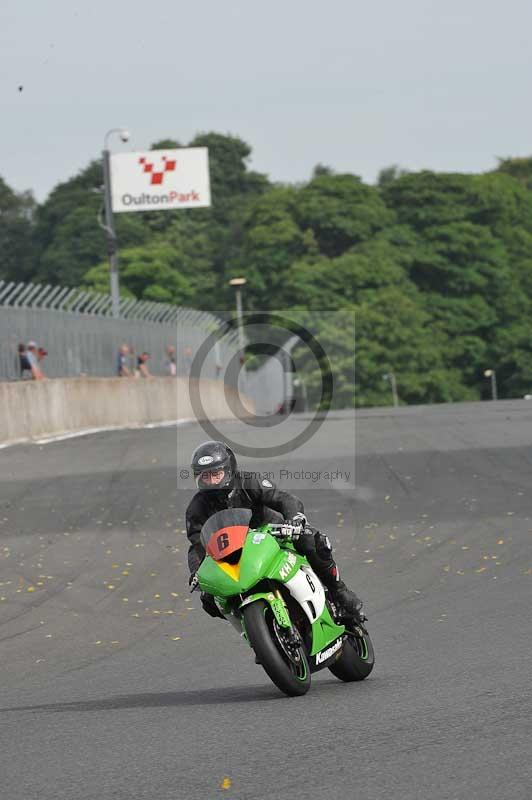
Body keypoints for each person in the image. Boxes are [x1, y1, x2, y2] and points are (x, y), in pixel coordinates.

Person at [186, 440, 364, 622]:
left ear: (229, 470)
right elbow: (197, 543)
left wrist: (294, 520)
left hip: (272, 534)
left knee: (312, 540)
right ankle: (253, 631)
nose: (210, 481)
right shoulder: (196, 508)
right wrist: (197, 572)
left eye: (216, 474)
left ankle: (340, 592)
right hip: (234, 553)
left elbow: (284, 499)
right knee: (208, 598)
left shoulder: (248, 481)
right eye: (204, 476)